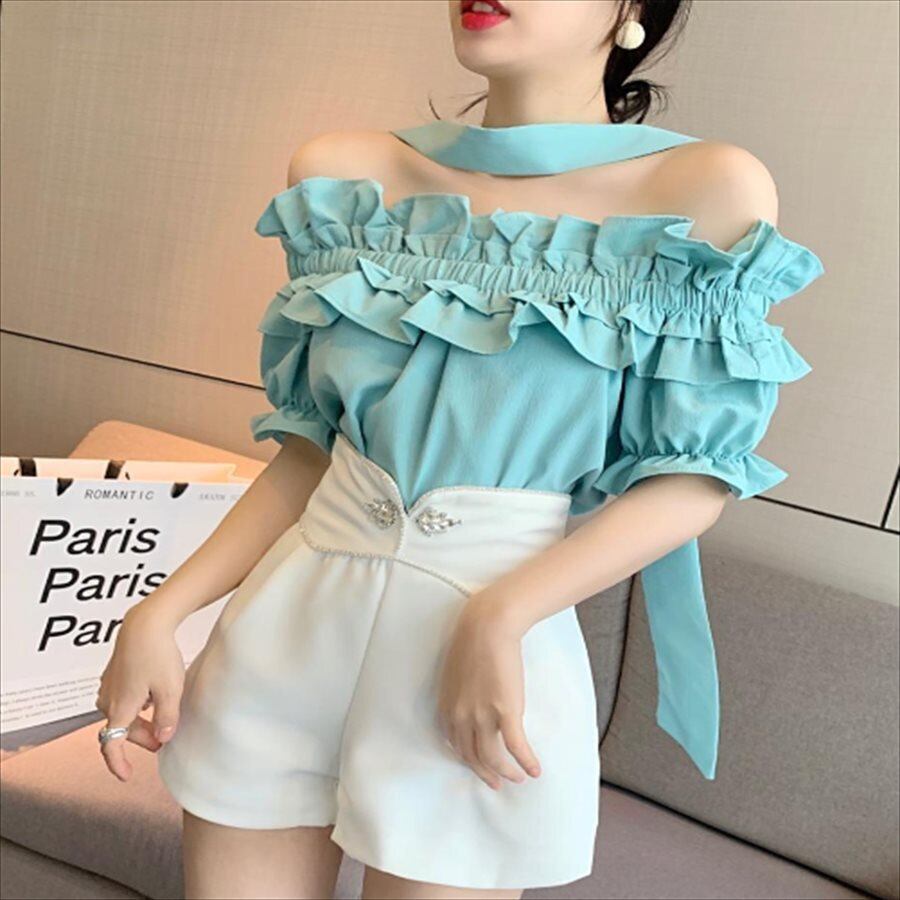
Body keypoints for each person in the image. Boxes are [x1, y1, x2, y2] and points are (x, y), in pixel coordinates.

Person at [94, 1, 825, 898]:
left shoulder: (703, 191)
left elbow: (693, 478)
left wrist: (502, 615)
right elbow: (312, 453)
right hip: (287, 633)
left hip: (483, 654)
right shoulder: (345, 177)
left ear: (633, 8)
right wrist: (161, 613)